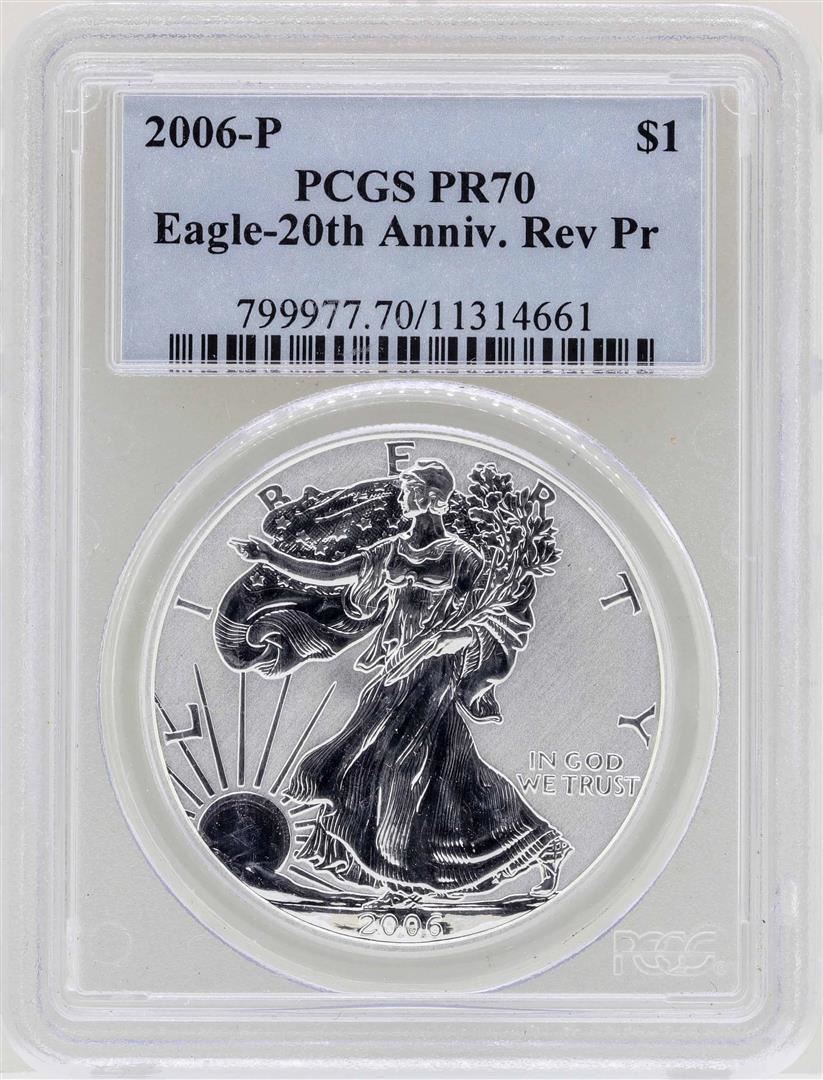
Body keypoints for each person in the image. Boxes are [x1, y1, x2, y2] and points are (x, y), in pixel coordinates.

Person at [230, 459, 570, 904]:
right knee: (436, 772)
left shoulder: (461, 557)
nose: (402, 495)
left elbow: (496, 618)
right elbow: (333, 573)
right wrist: (269, 557)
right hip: (394, 671)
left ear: (430, 497)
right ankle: (539, 845)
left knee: (399, 767)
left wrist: (448, 640)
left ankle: (401, 879)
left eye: (409, 488)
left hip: (433, 674)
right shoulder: (390, 551)